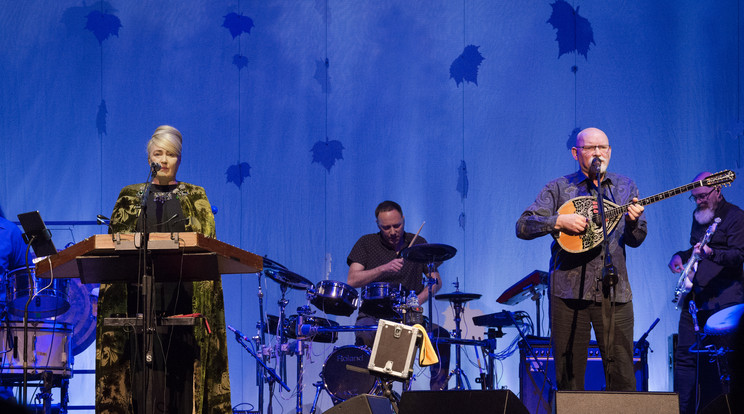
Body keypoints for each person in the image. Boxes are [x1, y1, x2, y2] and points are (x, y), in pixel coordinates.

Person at [95, 125, 232, 413]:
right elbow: (115, 246)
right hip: (138, 301)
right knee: (140, 377)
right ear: (149, 159)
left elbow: (207, 246)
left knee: (180, 377)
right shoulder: (131, 197)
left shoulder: (195, 197)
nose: (164, 160)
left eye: (171, 154)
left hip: (182, 299)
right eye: (159, 153)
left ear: (179, 159)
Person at [516, 127, 646, 391]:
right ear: (576, 153)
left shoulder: (625, 187)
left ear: (610, 151)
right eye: (590, 148)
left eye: (603, 148)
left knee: (623, 376)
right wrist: (558, 221)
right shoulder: (559, 188)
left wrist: (633, 223)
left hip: (615, 292)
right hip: (568, 294)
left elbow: (636, 239)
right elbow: (523, 226)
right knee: (570, 379)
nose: (598, 153)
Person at [347, 200, 450, 390]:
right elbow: (352, 280)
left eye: (397, 225)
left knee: (441, 337)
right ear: (378, 225)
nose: (393, 231)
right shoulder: (366, 243)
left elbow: (436, 280)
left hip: (409, 316)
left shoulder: (418, 244)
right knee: (367, 333)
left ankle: (438, 395)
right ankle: (373, 393)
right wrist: (382, 269)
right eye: (386, 227)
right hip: (374, 316)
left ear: (403, 220)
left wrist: (418, 299)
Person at [667, 171, 744, 414]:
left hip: (724, 302)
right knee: (685, 362)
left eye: (703, 196)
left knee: (722, 366)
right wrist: (680, 256)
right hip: (696, 300)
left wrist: (712, 253)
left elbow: (739, 256)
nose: (699, 201)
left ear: (718, 190)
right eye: (695, 197)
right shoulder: (700, 216)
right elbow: (696, 250)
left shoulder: (735, 217)